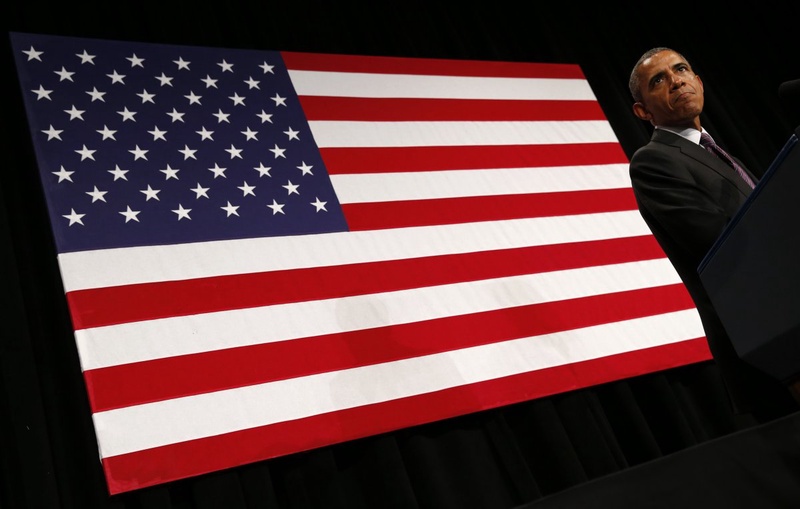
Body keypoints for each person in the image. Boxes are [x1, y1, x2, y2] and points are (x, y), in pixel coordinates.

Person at [627, 47, 798, 422]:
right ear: (643, 111)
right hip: (769, 347)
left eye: (682, 69)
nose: (676, 80)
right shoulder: (654, 161)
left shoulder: (719, 154)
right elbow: (722, 243)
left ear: (699, 82)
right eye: (658, 80)